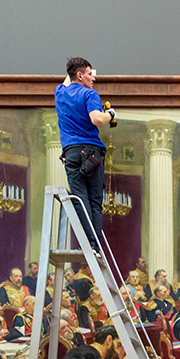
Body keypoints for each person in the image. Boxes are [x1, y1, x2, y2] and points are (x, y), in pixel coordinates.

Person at [56, 57, 113, 252]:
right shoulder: (90, 95)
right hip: (91, 152)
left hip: (71, 152)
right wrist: (111, 115)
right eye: (90, 74)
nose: (93, 79)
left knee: (79, 198)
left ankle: (87, 242)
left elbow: (68, 79)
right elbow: (97, 119)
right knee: (95, 202)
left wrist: (74, 69)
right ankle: (93, 244)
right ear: (80, 76)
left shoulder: (60, 92)